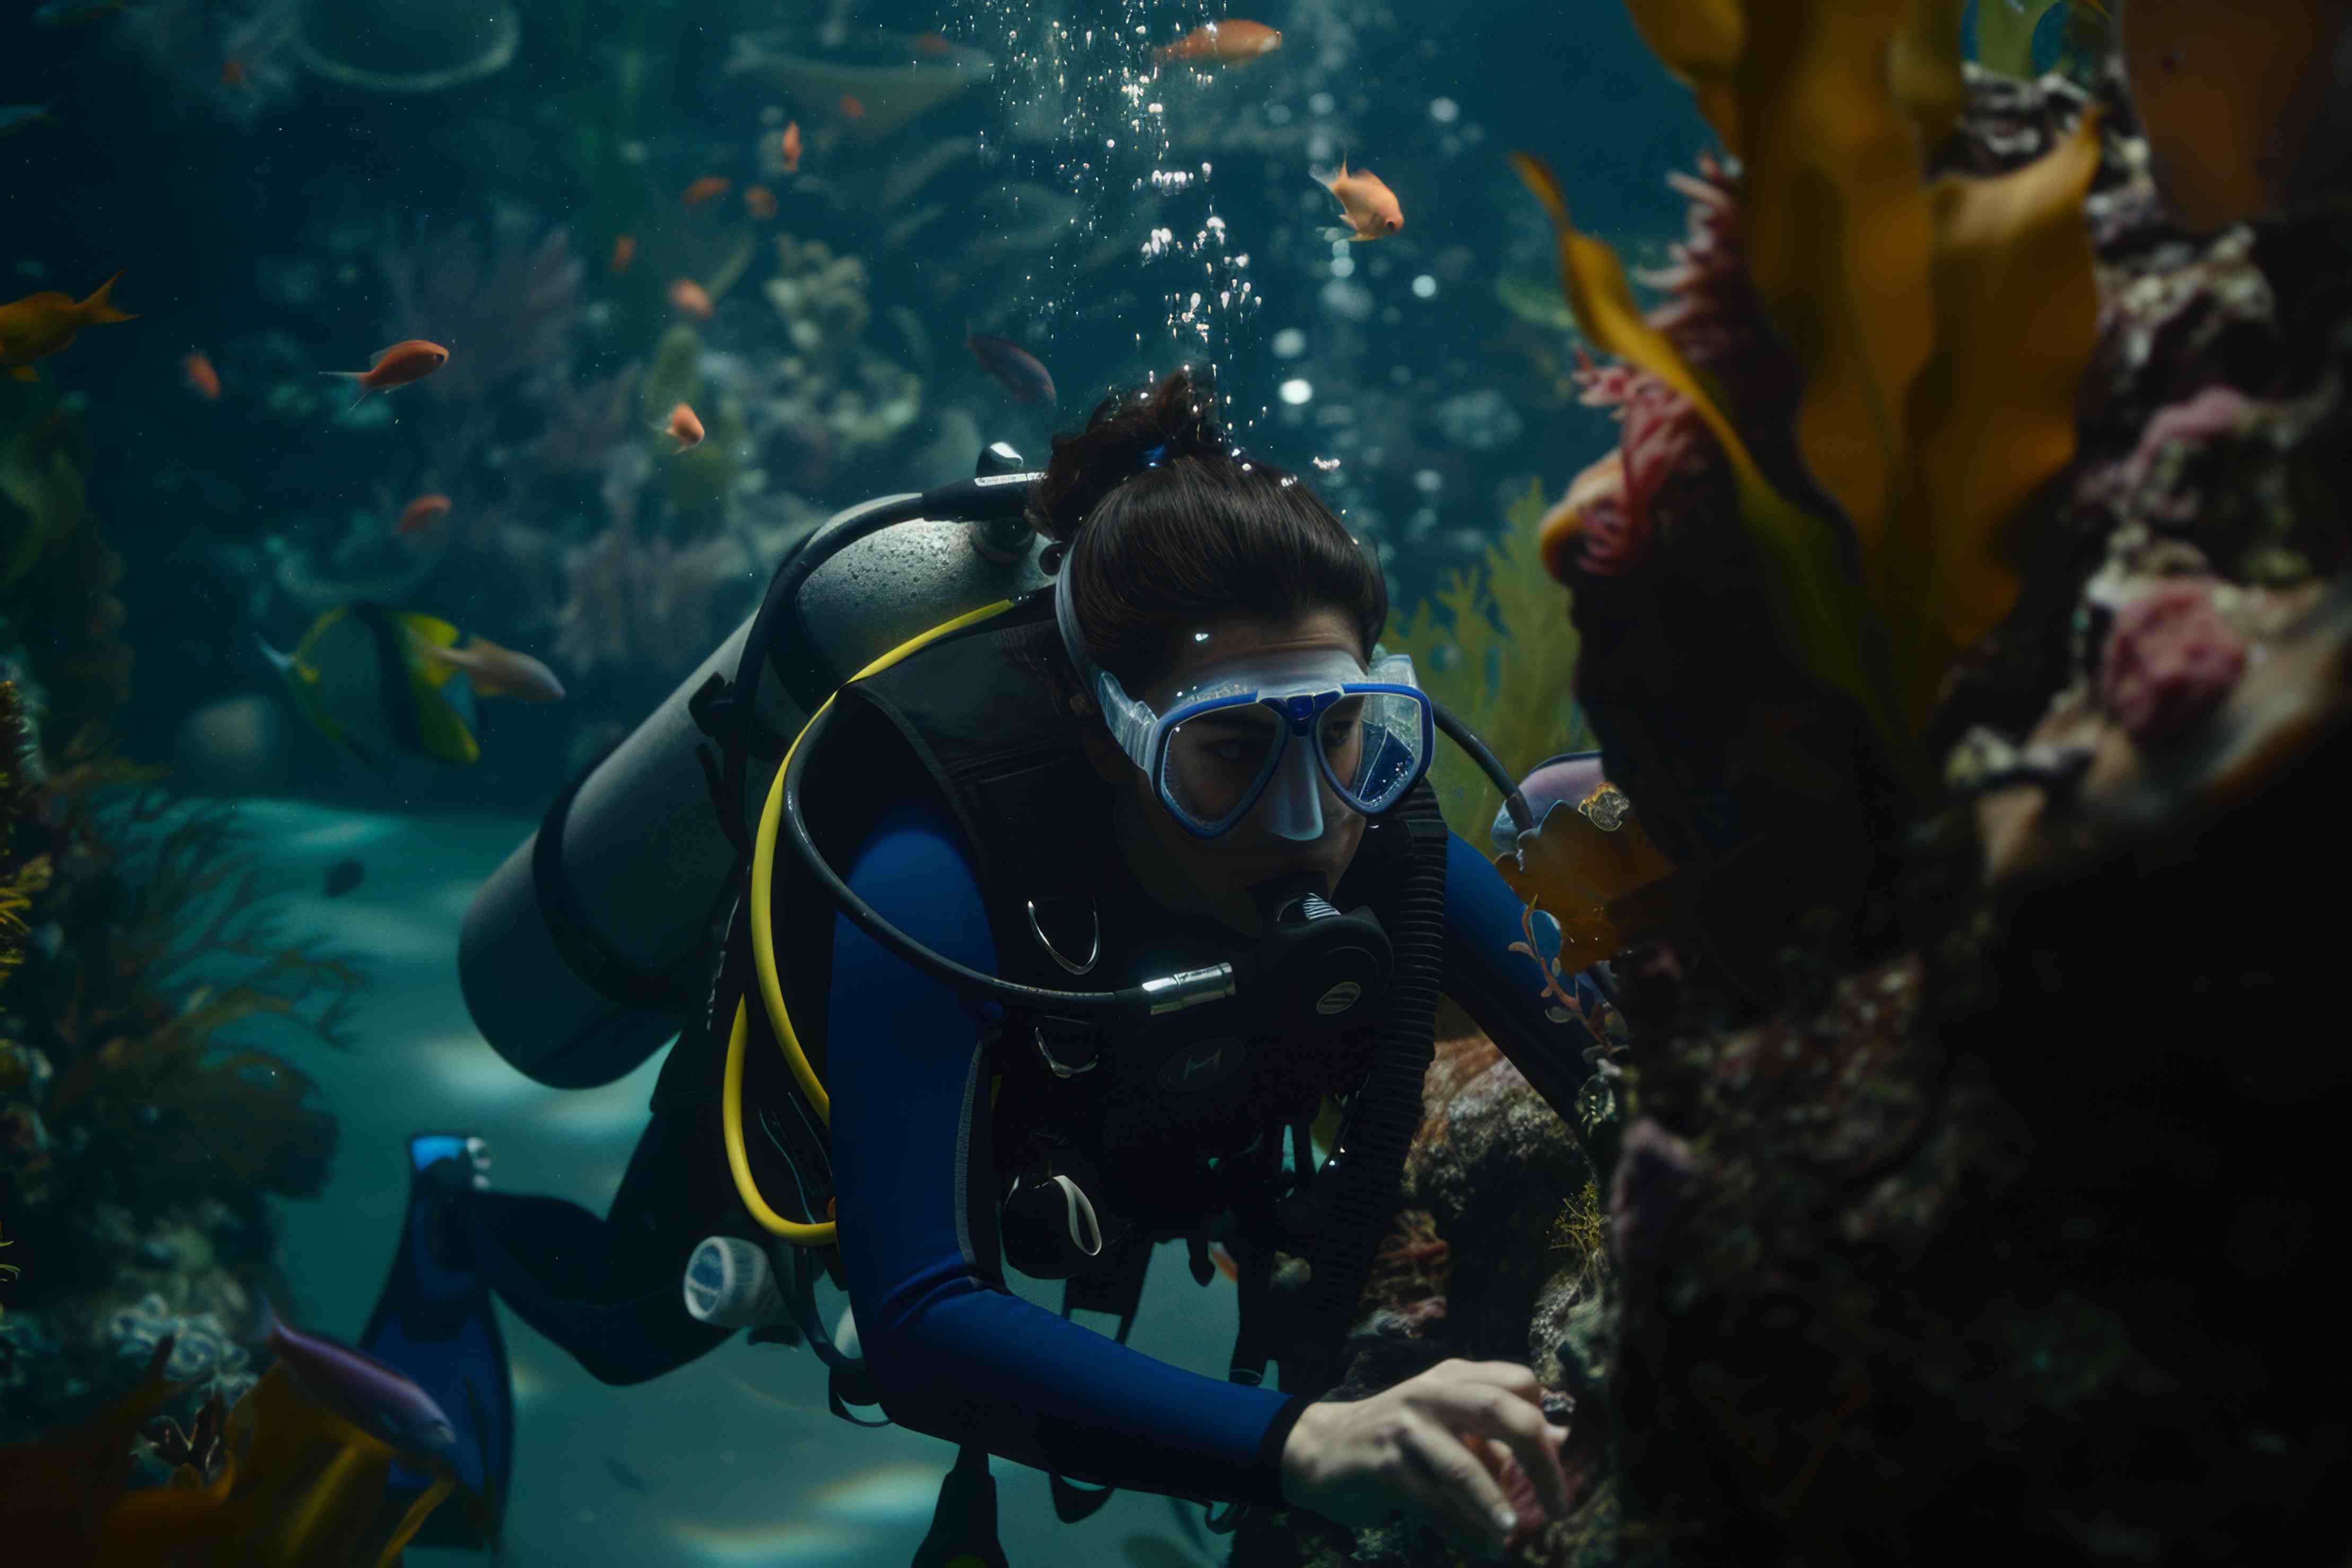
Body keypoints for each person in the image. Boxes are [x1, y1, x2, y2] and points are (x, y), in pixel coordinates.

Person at [357, 367, 1607, 1561]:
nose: (1306, 816)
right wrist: (1305, 1440)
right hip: (876, 1120)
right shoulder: (935, 853)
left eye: (1345, 732)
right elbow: (915, 1322)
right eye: (1221, 754)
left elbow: (1601, 1054)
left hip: (1123, 1141)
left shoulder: (1364, 804)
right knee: (636, 1324)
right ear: (1105, 732)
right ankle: (453, 1214)